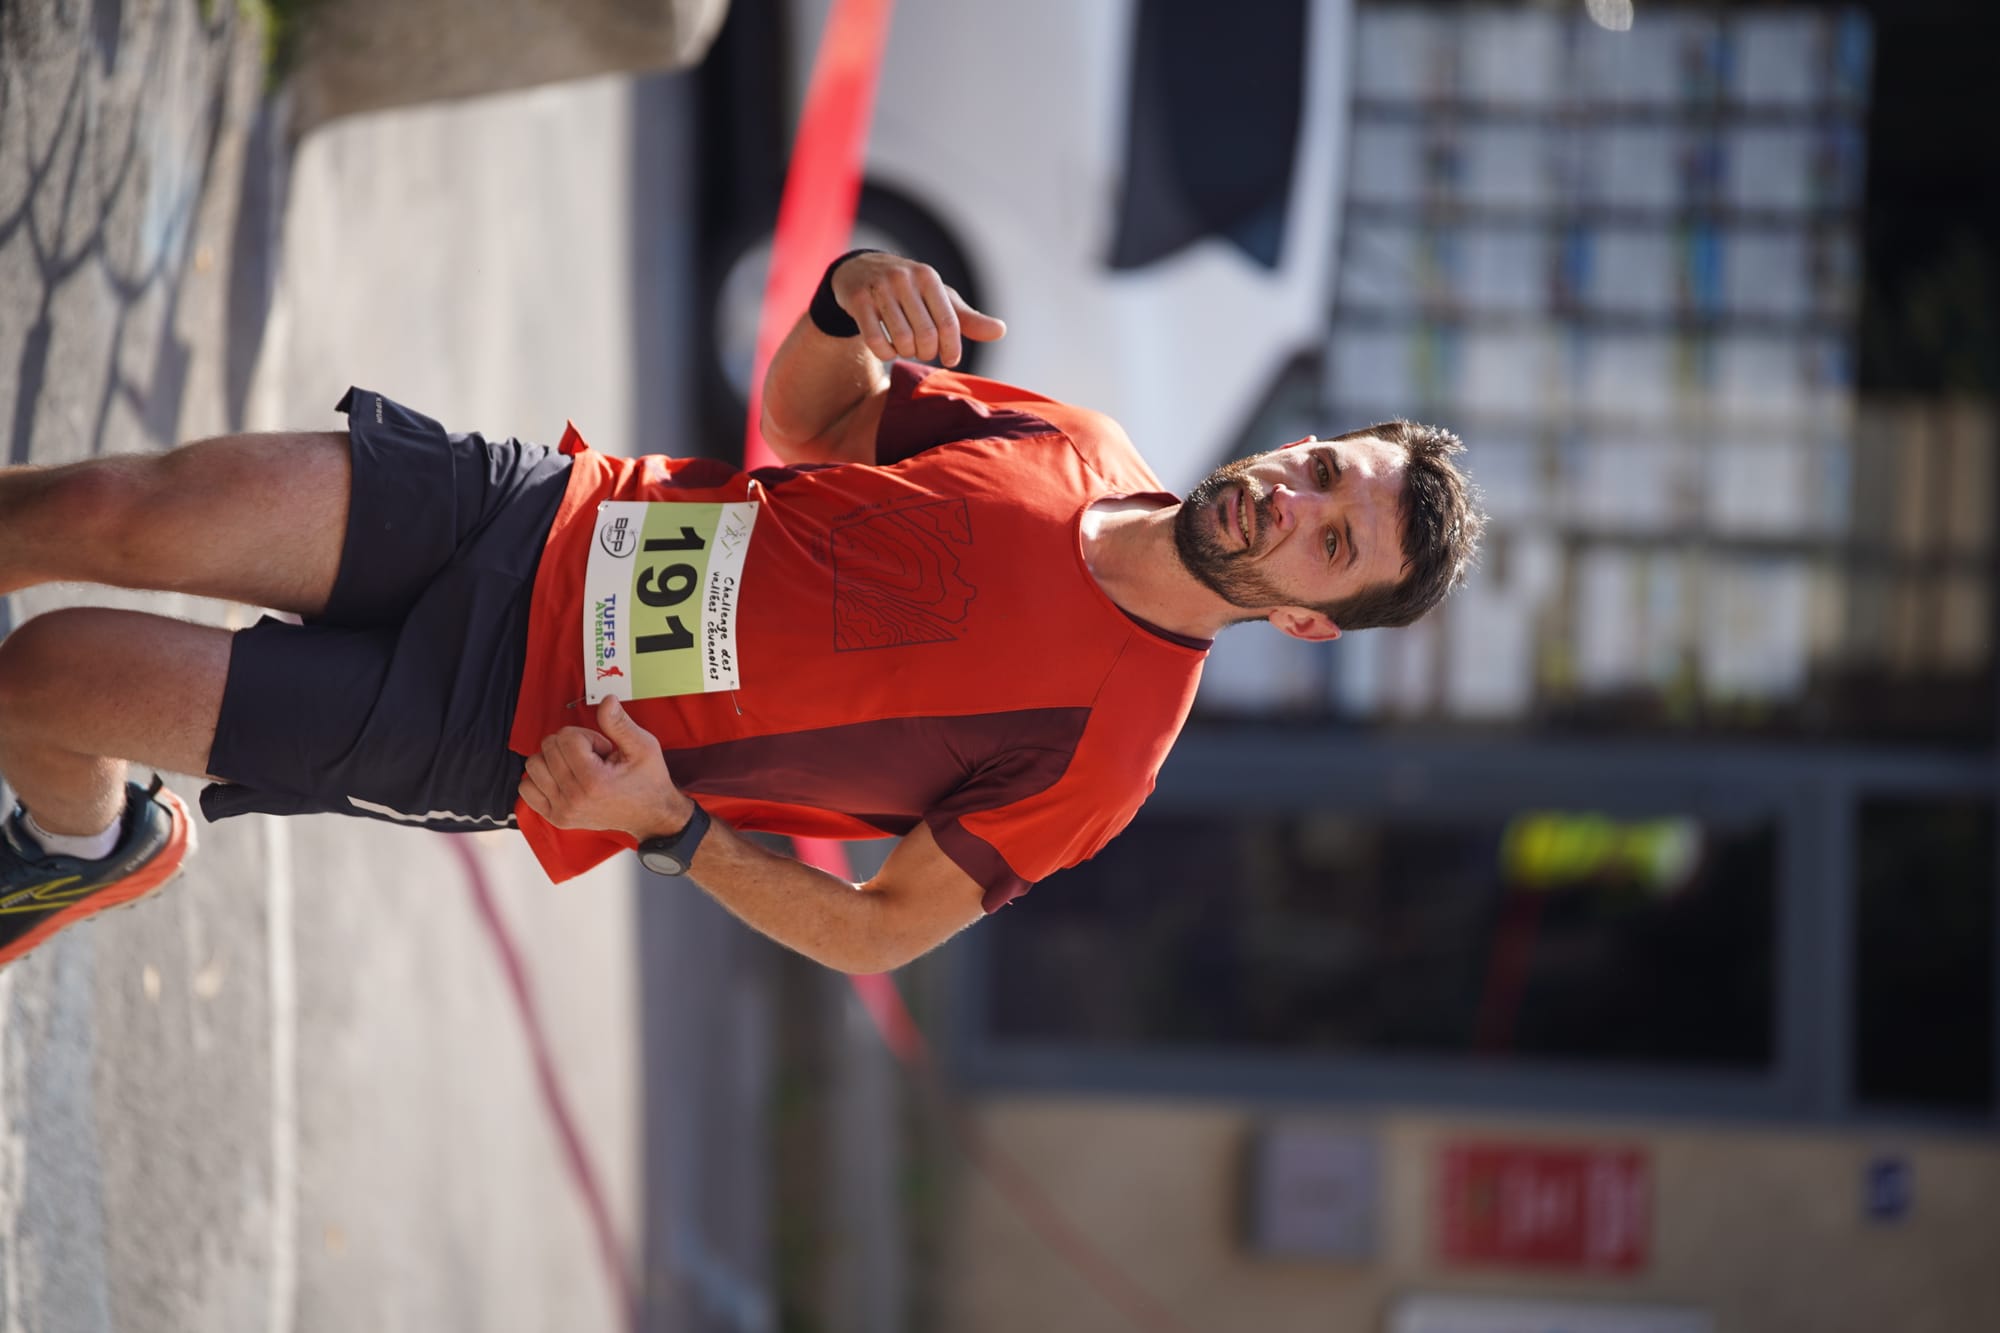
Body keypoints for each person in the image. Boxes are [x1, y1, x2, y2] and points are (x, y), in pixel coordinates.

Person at [0, 251, 1482, 974]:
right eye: (1322, 468)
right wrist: (847, 300)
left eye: (1330, 542)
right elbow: (812, 414)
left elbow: (883, 930)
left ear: (1305, 621)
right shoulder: (1075, 441)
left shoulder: (1110, 753)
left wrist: (673, 830)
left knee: (50, 672)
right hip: (542, 514)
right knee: (106, 512)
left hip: (520, 733)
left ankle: (82, 846)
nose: (1293, 502)